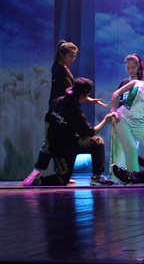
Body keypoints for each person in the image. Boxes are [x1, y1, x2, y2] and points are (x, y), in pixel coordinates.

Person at [24, 78, 116, 186]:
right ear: (81, 95)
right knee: (97, 142)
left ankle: (38, 178)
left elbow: (48, 119)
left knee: (62, 179)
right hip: (67, 146)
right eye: (87, 95)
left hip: (55, 145)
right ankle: (97, 176)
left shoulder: (58, 101)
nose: (87, 97)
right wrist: (105, 120)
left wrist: (47, 138)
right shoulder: (75, 113)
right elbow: (91, 132)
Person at [33, 41, 105, 179]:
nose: (73, 59)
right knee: (52, 140)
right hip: (62, 110)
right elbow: (89, 131)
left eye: (75, 56)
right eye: (71, 56)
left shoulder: (61, 67)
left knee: (51, 139)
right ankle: (39, 169)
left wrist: (90, 100)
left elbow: (74, 92)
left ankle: (39, 169)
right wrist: (106, 119)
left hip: (59, 107)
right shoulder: (60, 73)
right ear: (62, 54)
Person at [110, 54, 144, 170]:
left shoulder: (141, 83)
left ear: (138, 66)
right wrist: (113, 111)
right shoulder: (124, 82)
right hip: (120, 118)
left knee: (131, 148)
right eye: (127, 68)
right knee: (119, 148)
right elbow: (117, 97)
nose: (130, 71)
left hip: (133, 120)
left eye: (133, 68)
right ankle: (118, 172)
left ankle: (130, 173)